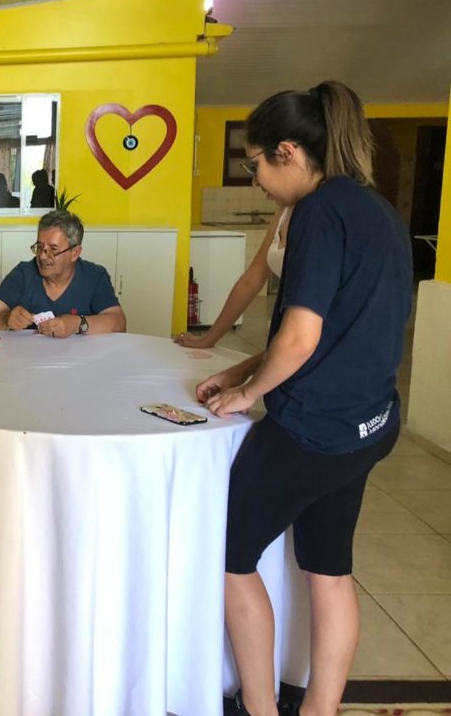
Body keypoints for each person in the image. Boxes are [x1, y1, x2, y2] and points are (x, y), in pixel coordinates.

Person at [195, 82, 412, 716]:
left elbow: (300, 337)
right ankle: (320, 711)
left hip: (313, 430)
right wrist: (242, 366)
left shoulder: (317, 212)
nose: (257, 181)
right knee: (329, 569)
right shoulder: (378, 211)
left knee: (230, 555)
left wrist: (246, 394)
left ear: (288, 152)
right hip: (370, 424)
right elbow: (339, 328)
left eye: (256, 164)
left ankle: (261, 708)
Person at [0, 210, 127, 337]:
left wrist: (77, 324)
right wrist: (6, 319)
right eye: (40, 247)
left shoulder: (94, 276)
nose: (42, 256)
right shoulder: (24, 273)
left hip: (80, 360)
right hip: (28, 359)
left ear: (75, 253)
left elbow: (119, 322)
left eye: (53, 249)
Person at [174, 203, 291, 348]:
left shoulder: (314, 214)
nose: (258, 186)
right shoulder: (283, 211)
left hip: (302, 333)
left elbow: (300, 341)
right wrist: (208, 339)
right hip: (287, 331)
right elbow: (251, 280)